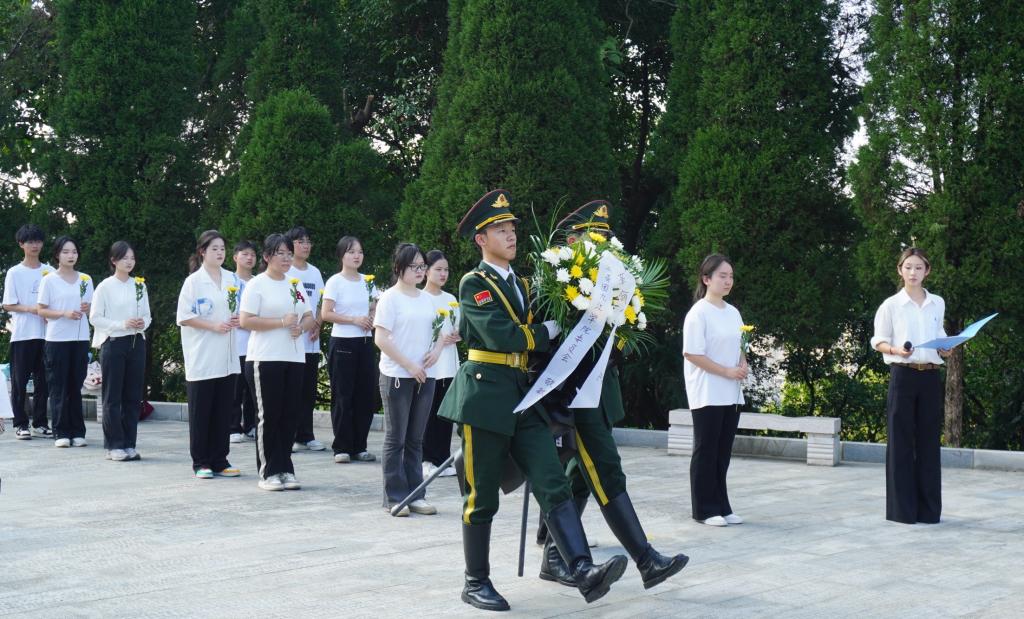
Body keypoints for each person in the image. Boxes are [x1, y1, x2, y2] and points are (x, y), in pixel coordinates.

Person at [439, 189, 627, 612]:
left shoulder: (523, 284)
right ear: (481, 240)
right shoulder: (474, 283)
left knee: (552, 480)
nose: (510, 235)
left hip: (523, 396)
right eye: (500, 230)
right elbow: (501, 336)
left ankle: (581, 569)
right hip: (485, 397)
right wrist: (547, 332)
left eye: (512, 228)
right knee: (482, 495)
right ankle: (475, 581)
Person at [536, 201, 689, 590]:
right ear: (573, 241)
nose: (603, 246)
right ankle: (645, 560)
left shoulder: (610, 283)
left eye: (606, 239)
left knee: (583, 475)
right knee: (603, 469)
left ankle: (555, 556)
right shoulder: (557, 282)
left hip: (598, 393)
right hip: (572, 397)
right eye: (595, 238)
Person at [870, 247, 950, 524]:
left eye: (918, 267)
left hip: (930, 376)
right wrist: (896, 350)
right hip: (903, 376)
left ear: (927, 271)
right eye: (908, 267)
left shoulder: (937, 302)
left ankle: (929, 511)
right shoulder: (891, 305)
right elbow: (878, 340)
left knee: (929, 443)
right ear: (900, 270)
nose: (913, 272)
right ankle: (902, 511)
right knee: (900, 442)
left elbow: (939, 334)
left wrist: (945, 347)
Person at [240, 233, 315, 492]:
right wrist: (281, 323)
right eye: (280, 253)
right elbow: (246, 320)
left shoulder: (295, 283)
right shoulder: (257, 284)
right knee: (269, 416)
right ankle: (268, 471)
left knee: (289, 415)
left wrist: (301, 328)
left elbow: (309, 317)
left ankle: (285, 469)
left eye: (288, 254)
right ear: (267, 256)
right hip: (265, 358)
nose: (286, 258)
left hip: (294, 357)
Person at [374, 243, 441, 516]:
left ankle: (416, 495)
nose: (420, 271)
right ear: (399, 268)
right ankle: (395, 496)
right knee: (396, 438)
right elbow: (381, 338)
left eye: (422, 266)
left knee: (416, 438)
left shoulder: (427, 299)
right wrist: (409, 365)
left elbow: (440, 332)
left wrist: (436, 352)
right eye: (414, 266)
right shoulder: (390, 299)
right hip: (397, 375)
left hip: (425, 375)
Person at [681, 254, 747, 526]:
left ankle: (722, 505)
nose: (728, 281)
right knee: (706, 450)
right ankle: (704, 509)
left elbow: (740, 344)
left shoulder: (733, 312)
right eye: (722, 276)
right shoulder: (698, 313)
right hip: (707, 392)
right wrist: (726, 371)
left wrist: (742, 363)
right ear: (706, 279)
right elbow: (692, 353)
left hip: (731, 392)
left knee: (723, 451)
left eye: (730, 276)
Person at [176, 230, 242, 480]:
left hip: (227, 355)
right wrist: (213, 326)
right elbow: (184, 316)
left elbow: (241, 308)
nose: (220, 253)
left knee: (223, 411)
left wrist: (238, 318)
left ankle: (220, 460)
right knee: (201, 412)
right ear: (202, 252)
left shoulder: (232, 278)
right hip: (202, 355)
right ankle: (201, 461)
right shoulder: (193, 282)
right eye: (214, 248)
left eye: (222, 248)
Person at [89, 241, 151, 461]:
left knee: (133, 396)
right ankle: (114, 445)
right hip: (113, 343)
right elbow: (95, 318)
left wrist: (142, 323)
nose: (129, 262)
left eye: (132, 258)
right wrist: (122, 324)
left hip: (136, 342)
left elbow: (148, 315)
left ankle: (129, 443)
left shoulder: (139, 285)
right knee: (112, 396)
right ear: (114, 260)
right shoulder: (105, 286)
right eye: (124, 258)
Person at [321, 236, 378, 464]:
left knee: (365, 395)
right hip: (343, 342)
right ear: (341, 255)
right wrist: (354, 319)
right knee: (343, 395)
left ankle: (360, 446)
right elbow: (326, 313)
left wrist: (371, 318)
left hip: (365, 342)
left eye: (360, 252)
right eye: (351, 252)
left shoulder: (368, 281)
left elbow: (374, 307)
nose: (357, 256)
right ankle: (342, 447)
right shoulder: (335, 281)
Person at [36, 236, 92, 448]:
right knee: (58, 386)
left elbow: (92, 309)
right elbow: (41, 310)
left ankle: (78, 431)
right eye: (66, 252)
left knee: (75, 386)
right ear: (57, 255)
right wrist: (63, 313)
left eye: (74, 252)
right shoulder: (49, 280)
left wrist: (87, 309)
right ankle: (60, 431)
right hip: (57, 339)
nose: (71, 256)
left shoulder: (85, 279)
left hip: (80, 338)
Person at [2, 224, 51, 439]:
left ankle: (40, 422)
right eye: (30, 242)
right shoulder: (14, 272)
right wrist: (32, 309)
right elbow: (7, 304)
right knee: (19, 382)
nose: (35, 245)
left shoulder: (49, 271)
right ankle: (20, 424)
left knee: (44, 381)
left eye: (38, 241)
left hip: (48, 335)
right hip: (22, 334)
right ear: (21, 244)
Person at [285, 226, 326, 453]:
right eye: (300, 241)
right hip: (290, 339)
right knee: (291, 390)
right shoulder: (286, 271)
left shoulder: (315, 272)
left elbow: (320, 302)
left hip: (310, 339)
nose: (306, 245)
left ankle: (306, 435)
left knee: (308, 390)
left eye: (308, 241)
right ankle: (289, 435)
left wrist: (317, 324)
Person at [421, 249, 460, 478]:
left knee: (445, 414)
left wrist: (457, 335)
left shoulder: (451, 299)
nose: (443, 274)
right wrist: (438, 339)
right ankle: (426, 460)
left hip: (448, 364)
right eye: (438, 269)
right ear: (426, 271)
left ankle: (443, 459)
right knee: (428, 413)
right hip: (429, 364)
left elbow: (460, 327)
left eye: (446, 269)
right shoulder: (420, 298)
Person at [229, 240, 258, 444]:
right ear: (235, 257)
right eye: (245, 254)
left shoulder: (258, 282)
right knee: (234, 388)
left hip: (256, 342)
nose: (249, 258)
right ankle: (232, 427)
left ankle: (251, 425)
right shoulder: (228, 281)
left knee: (253, 388)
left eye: (253, 255)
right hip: (235, 342)